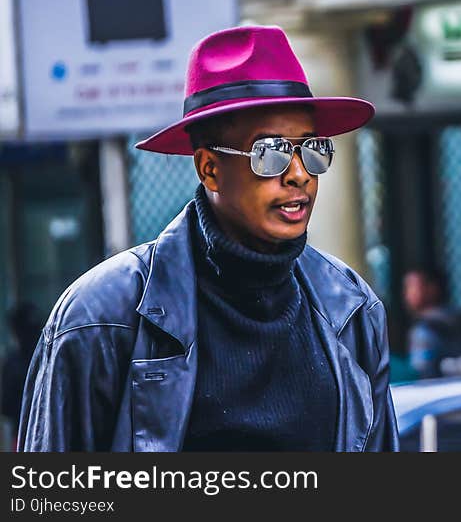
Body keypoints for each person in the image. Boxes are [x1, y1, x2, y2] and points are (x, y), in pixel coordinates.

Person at [18, 25, 398, 451]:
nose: (299, 174)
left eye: (312, 148)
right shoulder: (100, 316)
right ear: (209, 169)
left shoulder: (350, 308)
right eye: (270, 152)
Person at [403, 267, 461, 378]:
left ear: (432, 288)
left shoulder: (423, 332)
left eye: (412, 287)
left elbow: (420, 373)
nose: (407, 295)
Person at [2, 303, 41, 449]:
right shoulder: (48, 357)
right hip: (34, 431)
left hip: (23, 432)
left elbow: (6, 406)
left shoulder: (13, 362)